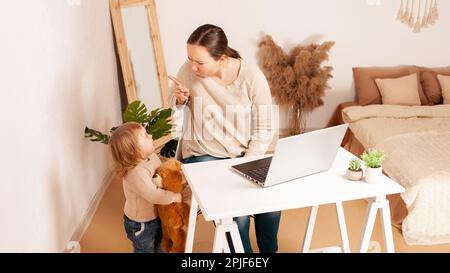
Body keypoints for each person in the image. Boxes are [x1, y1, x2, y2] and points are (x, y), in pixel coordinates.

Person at [168, 24, 280, 253]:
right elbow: (175, 124)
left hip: (245, 155)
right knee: (238, 217)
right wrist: (178, 102)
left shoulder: (251, 77)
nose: (193, 66)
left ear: (221, 58)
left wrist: (247, 163)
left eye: (200, 62)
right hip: (203, 155)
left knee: (271, 206)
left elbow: (265, 126)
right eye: (190, 59)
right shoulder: (188, 72)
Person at [109, 122, 182, 253]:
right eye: (145, 136)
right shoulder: (135, 172)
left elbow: (162, 171)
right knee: (144, 250)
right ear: (133, 150)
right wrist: (175, 197)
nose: (151, 135)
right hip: (141, 224)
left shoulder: (151, 157)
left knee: (161, 246)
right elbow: (154, 195)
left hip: (156, 216)